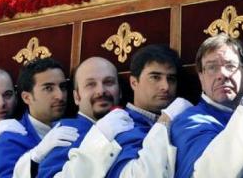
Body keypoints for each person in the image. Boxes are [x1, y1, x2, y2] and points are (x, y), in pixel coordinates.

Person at [61, 45, 186, 178]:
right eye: (155, 77)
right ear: (133, 82)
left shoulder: (180, 119)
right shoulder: (120, 125)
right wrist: (165, 122)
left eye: (171, 79)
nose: (165, 87)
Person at [169, 35, 243, 178]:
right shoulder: (189, 121)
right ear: (201, 77)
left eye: (230, 66)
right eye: (212, 67)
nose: (222, 74)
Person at [0, 58, 69, 178]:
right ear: (27, 97)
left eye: (62, 87)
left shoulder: (74, 127)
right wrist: (34, 157)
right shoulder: (11, 139)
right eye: (48, 88)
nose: (60, 95)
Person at [35, 57, 121, 178]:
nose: (101, 90)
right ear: (77, 97)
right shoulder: (67, 134)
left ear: (120, 91)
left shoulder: (133, 124)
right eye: (90, 84)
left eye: (109, 82)